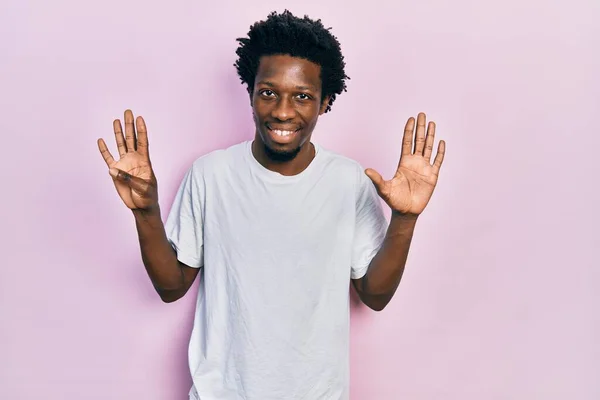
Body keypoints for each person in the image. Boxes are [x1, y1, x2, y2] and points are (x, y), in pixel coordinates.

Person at [97, 10, 445, 400]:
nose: (282, 111)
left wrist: (405, 219)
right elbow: (171, 287)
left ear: (324, 102)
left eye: (302, 97)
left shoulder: (350, 182)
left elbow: (374, 296)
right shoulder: (211, 175)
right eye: (268, 93)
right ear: (250, 93)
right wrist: (145, 213)